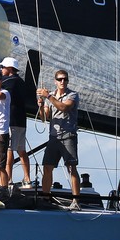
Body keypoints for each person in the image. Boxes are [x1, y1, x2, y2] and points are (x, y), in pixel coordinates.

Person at [36, 69, 80, 209]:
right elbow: (45, 117)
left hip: (68, 135)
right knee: (47, 167)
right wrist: (42, 106)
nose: (63, 81)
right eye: (60, 79)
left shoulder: (72, 95)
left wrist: (48, 96)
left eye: (65, 79)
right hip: (54, 137)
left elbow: (63, 108)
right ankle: (45, 198)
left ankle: (76, 201)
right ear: (55, 81)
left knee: (71, 167)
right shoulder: (52, 96)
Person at [0, 57, 31, 187]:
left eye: (3, 67)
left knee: (9, 149)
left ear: (10, 69)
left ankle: (8, 179)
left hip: (11, 120)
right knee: (21, 149)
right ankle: (27, 179)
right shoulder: (21, 82)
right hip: (21, 120)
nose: (1, 70)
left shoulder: (7, 82)